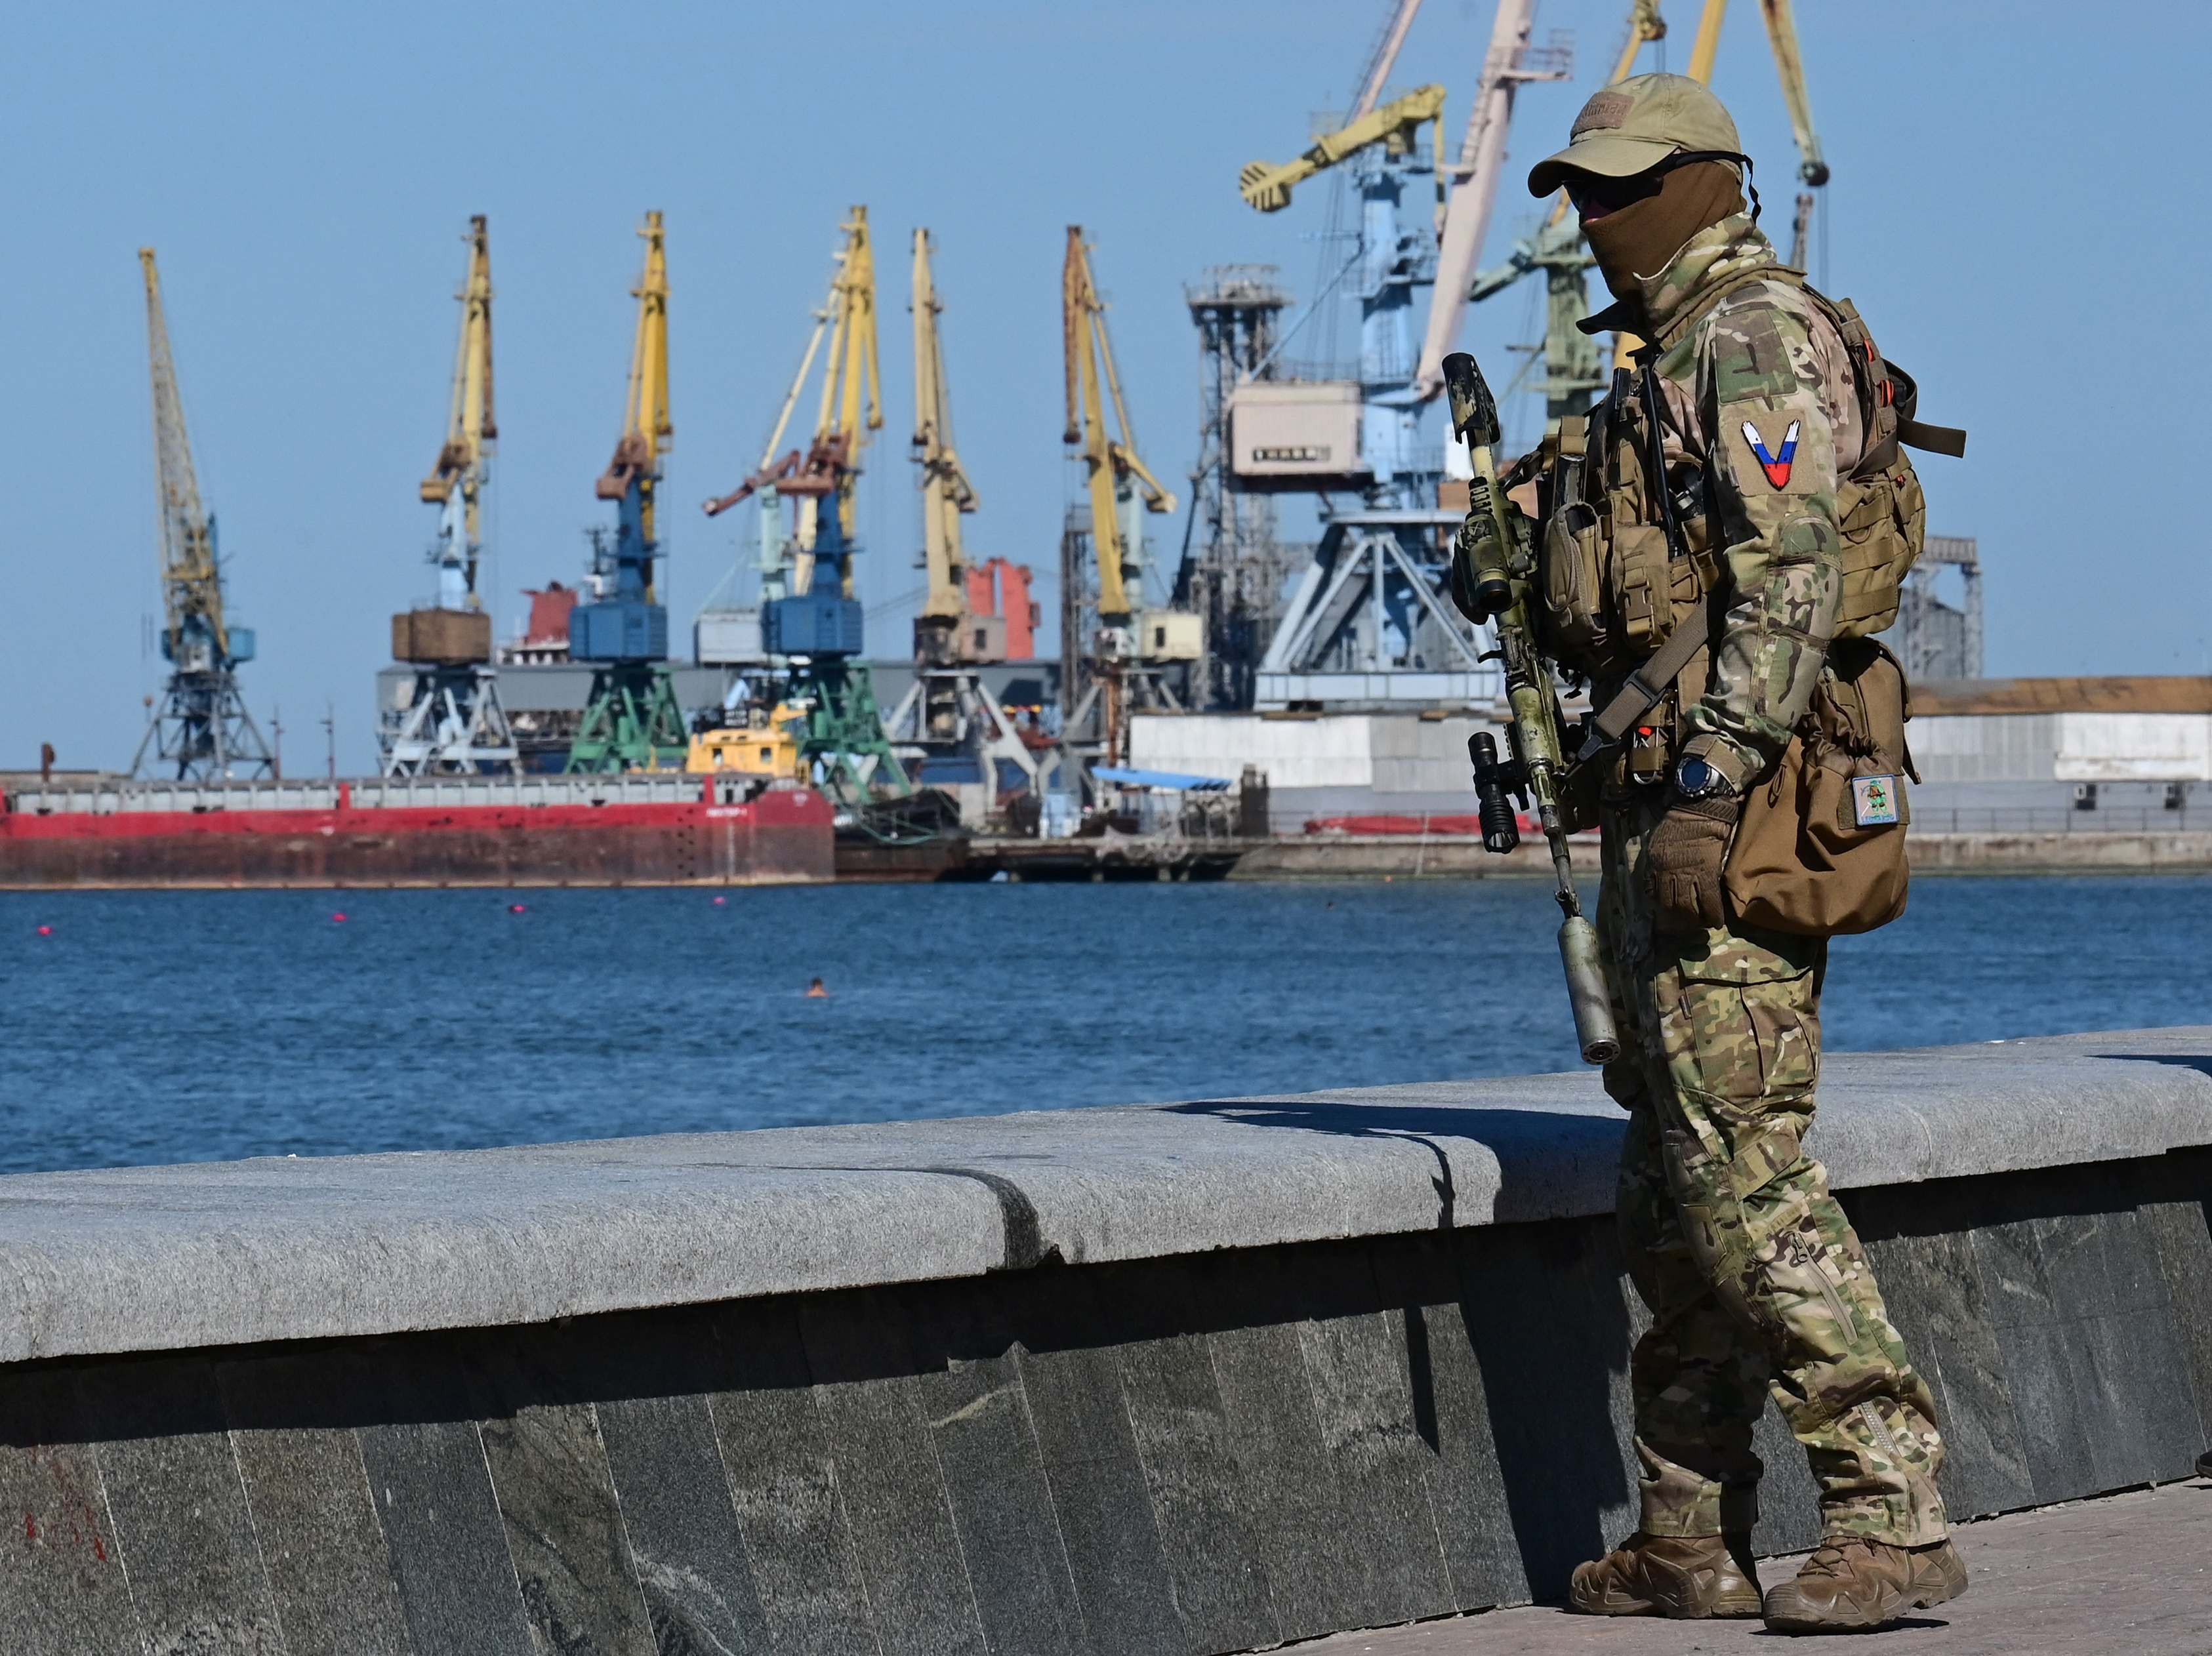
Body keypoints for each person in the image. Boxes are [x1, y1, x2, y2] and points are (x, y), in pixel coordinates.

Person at [1509, 73, 1965, 1634]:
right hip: (1665, 804)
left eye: (1618, 186)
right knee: (1673, 1185)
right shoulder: (1667, 354)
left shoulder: (1746, 333)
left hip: (1734, 809)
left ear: (1706, 181)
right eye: (1576, 189)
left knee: (1747, 1170)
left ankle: (1892, 1511)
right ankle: (1687, 1532)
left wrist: (1712, 783)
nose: (1591, 218)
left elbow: (1787, 578)